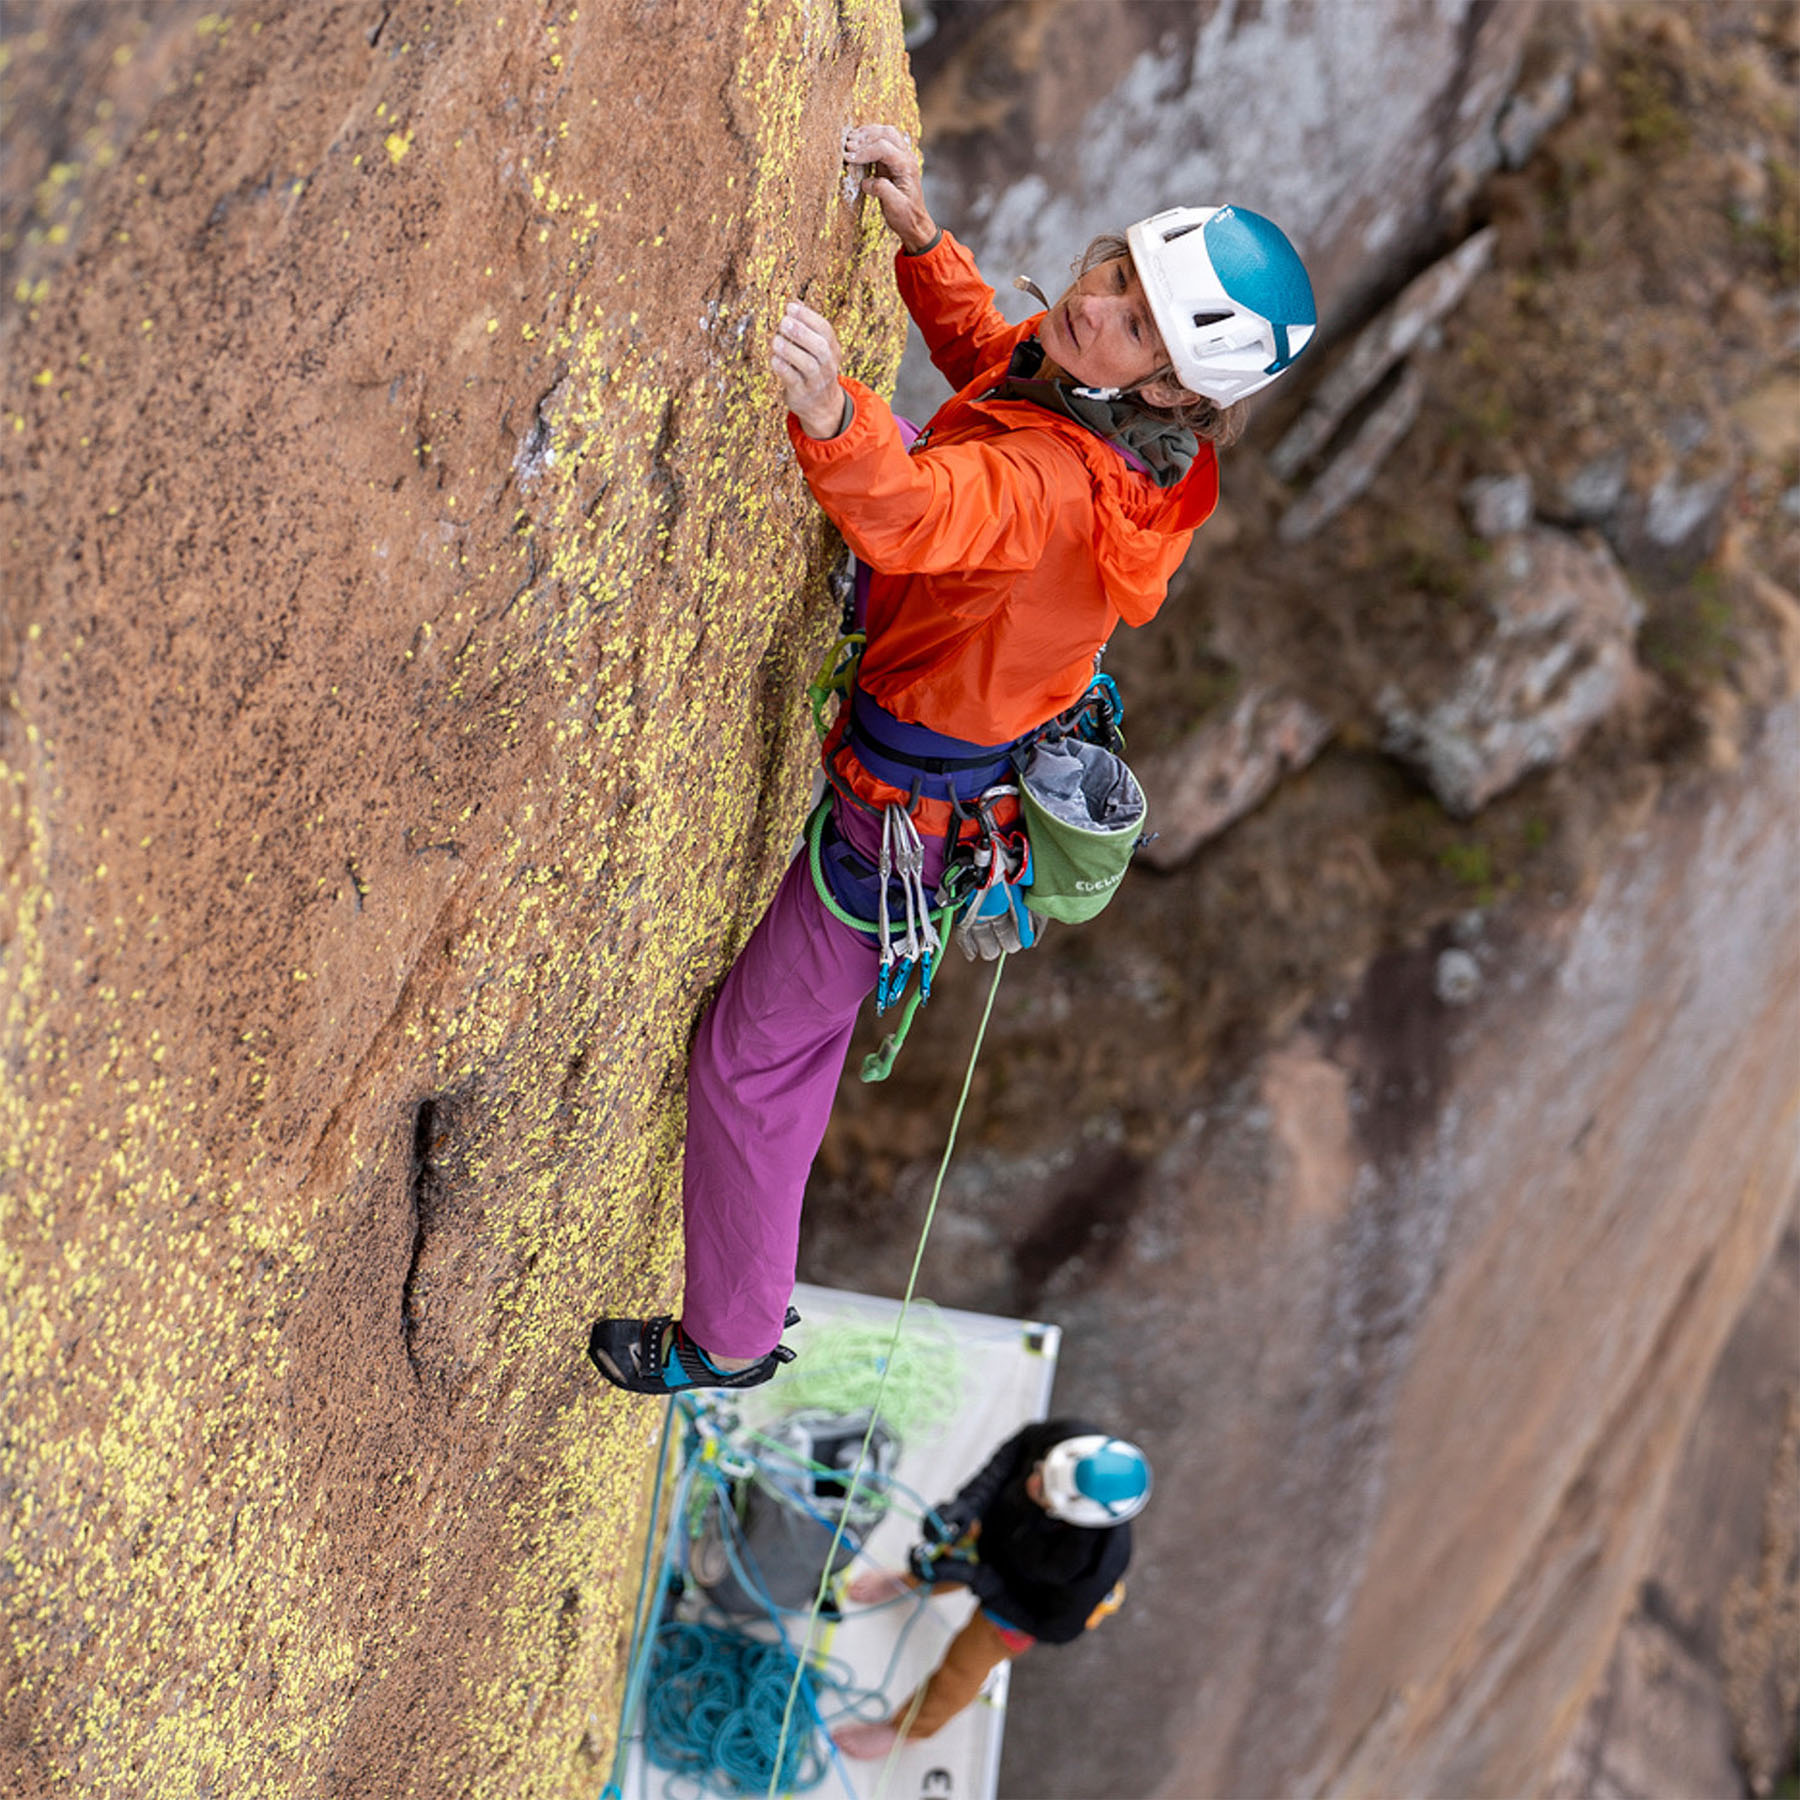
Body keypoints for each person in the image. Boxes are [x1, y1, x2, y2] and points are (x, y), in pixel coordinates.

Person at [588, 123, 1315, 1394]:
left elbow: (921, 514)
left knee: (751, 1066)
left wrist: (834, 416)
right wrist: (923, 243)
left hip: (898, 831)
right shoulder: (1129, 441)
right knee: (792, 1049)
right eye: (1117, 275)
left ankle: (730, 1341)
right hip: (947, 777)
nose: (1094, 304)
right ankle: (743, 1298)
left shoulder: (1055, 486)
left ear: (1170, 390)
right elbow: (1001, 357)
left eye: (1137, 322)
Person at [832, 1422, 1151, 1757]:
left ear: (1071, 1516)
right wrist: (968, 1504)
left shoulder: (1095, 1565)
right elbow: (1016, 1448)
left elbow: (1055, 1628)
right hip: (997, 1533)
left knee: (960, 1671)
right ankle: (908, 1583)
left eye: (1044, 1491)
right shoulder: (1071, 1439)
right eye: (1041, 1468)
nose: (1032, 1482)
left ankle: (907, 1730)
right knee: (940, 1561)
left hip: (1023, 1604)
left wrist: (981, 1581)